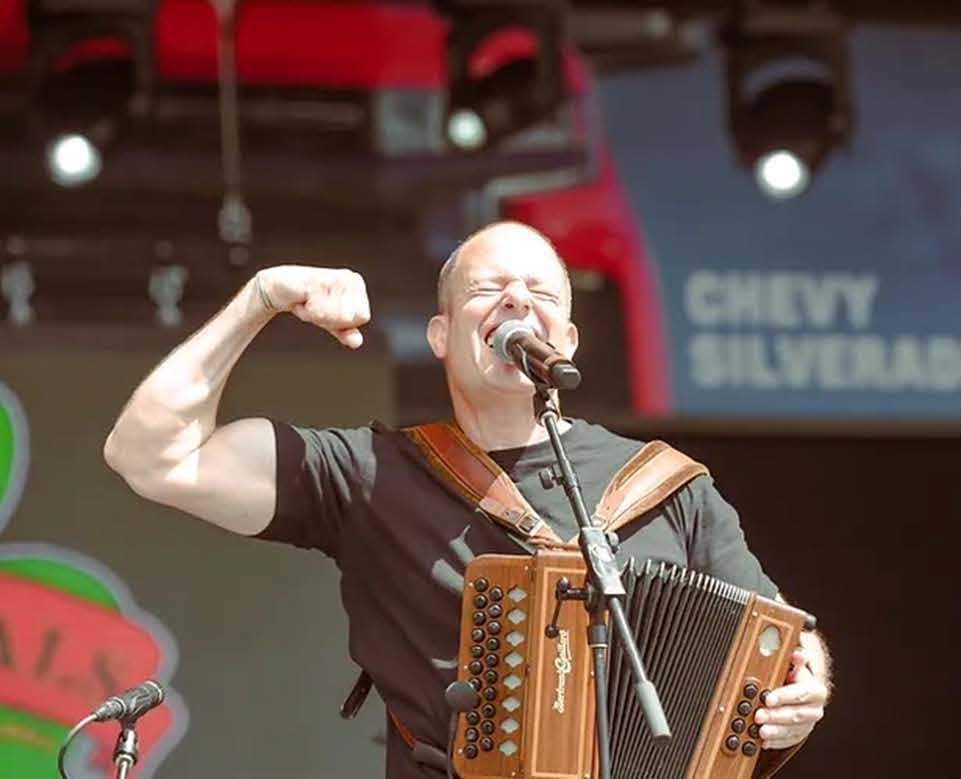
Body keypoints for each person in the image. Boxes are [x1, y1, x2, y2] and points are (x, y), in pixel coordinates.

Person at [104, 221, 831, 778]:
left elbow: (786, 642)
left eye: (540, 292)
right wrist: (260, 298)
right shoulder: (368, 473)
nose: (517, 299)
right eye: (488, 289)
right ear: (441, 336)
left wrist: (808, 691)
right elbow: (152, 455)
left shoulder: (668, 484)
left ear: (566, 339)